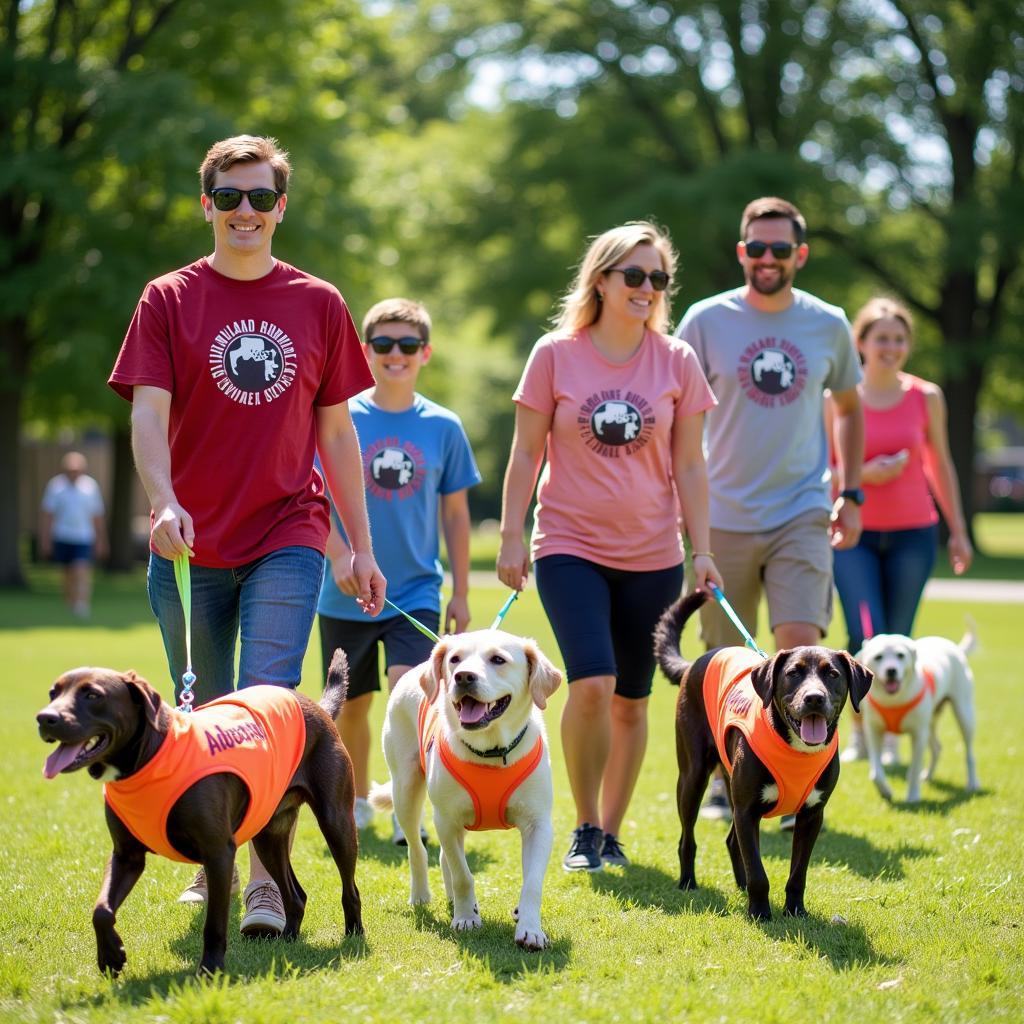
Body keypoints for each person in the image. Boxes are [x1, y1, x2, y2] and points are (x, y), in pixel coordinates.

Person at [108, 134, 386, 937]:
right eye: (229, 196)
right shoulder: (167, 299)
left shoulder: (319, 303)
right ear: (207, 204)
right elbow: (148, 414)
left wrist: (357, 546)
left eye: (260, 197)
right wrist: (161, 503)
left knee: (264, 707)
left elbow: (338, 436)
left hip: (286, 531)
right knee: (202, 718)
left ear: (280, 208)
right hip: (188, 545)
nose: (244, 212)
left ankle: (265, 885)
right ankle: (211, 860)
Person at [497, 220, 723, 872]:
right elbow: (525, 452)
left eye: (658, 278)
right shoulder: (555, 354)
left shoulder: (676, 361)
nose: (647, 288)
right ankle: (583, 825)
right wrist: (511, 536)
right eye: (634, 275)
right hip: (569, 545)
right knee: (590, 683)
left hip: (654, 554)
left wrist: (701, 550)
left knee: (632, 698)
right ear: (601, 279)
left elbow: (692, 466)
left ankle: (612, 834)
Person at [676, 196, 864, 827]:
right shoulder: (705, 320)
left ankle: (799, 782)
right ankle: (733, 781)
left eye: (779, 250)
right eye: (756, 248)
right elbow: (676, 409)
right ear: (741, 252)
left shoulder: (828, 322)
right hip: (721, 513)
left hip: (802, 508)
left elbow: (850, 407)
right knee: (727, 658)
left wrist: (852, 489)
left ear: (799, 256)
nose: (767, 259)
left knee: (801, 647)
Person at [316, 297, 481, 841]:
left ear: (424, 353)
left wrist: (459, 590)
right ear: (365, 352)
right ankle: (360, 799)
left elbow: (456, 514)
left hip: (414, 591)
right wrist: (340, 555)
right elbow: (310, 495)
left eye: (407, 345)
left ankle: (412, 801)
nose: (395, 354)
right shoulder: (339, 416)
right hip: (343, 592)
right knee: (354, 705)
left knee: (411, 695)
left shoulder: (444, 426)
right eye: (383, 344)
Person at [830, 297, 972, 761]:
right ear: (862, 344)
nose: (890, 347)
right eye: (881, 339)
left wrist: (958, 530)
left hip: (914, 533)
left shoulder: (925, 397)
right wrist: (865, 476)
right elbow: (825, 470)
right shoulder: (838, 398)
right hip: (855, 535)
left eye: (898, 339)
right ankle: (860, 731)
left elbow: (940, 465)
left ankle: (891, 737)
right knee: (864, 635)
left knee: (899, 636)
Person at [40, 451, 108, 618]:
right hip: (62, 535)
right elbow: (48, 515)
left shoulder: (90, 487)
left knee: (81, 570)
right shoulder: (55, 486)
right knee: (67, 574)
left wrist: (102, 540)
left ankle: (82, 603)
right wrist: (45, 539)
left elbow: (97, 516)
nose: (74, 473)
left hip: (84, 537)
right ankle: (70, 602)